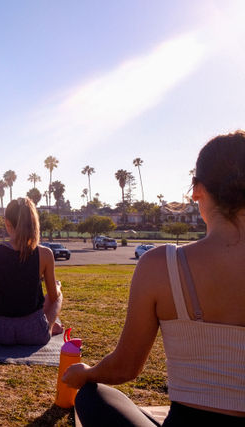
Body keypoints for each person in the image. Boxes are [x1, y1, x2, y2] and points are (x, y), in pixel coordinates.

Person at [63, 131, 245, 426]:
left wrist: (85, 373)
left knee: (91, 396)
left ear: (197, 189)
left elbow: (125, 367)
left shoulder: (162, 265)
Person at [0, 197, 63, 345]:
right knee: (58, 296)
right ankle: (50, 326)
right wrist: (58, 288)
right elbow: (53, 297)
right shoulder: (45, 254)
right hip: (35, 334)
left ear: (7, 223)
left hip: (0, 334)